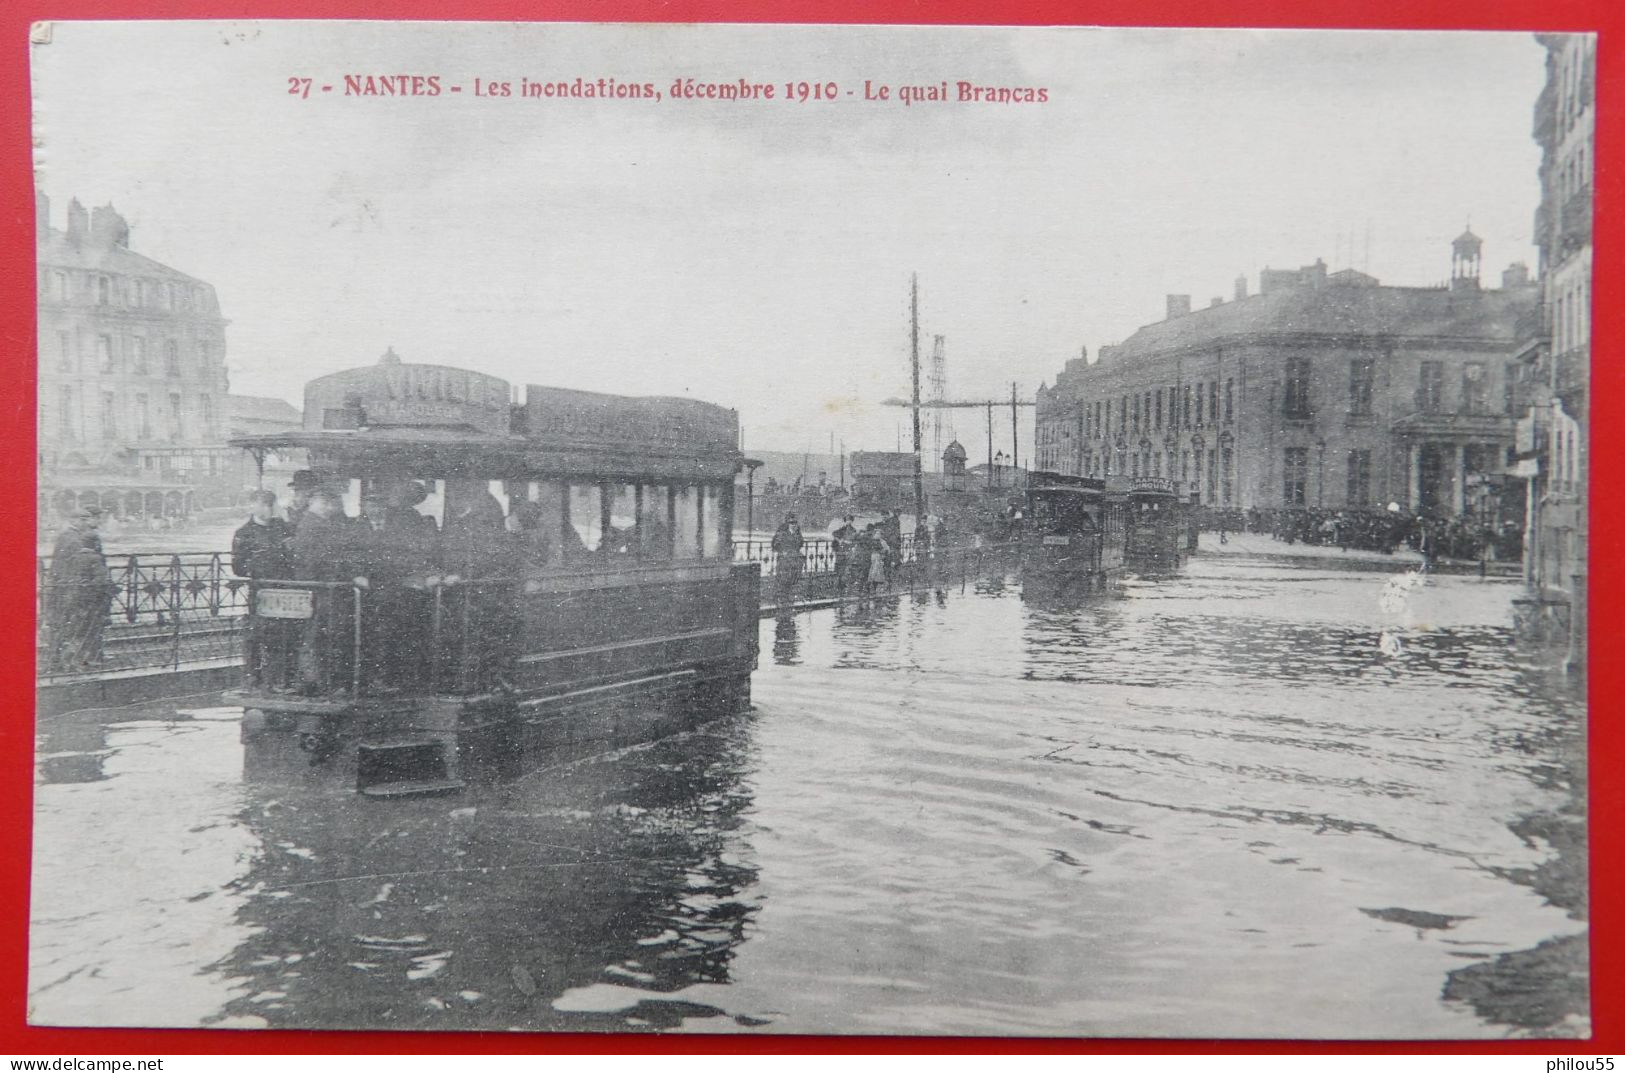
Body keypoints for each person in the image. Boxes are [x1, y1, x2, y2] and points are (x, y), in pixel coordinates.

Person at [290, 487, 365, 694]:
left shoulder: (319, 524)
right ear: (320, 503)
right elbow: (317, 559)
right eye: (328, 503)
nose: (331, 508)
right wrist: (346, 573)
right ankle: (320, 682)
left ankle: (322, 681)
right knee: (321, 634)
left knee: (322, 634)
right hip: (320, 589)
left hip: (322, 588)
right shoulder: (312, 525)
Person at [232, 490, 295, 689]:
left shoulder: (282, 527)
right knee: (258, 633)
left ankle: (279, 678)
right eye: (262, 504)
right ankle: (255, 677)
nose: (267, 509)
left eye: (269, 504)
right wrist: (258, 564)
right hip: (260, 590)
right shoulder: (244, 533)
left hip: (284, 589)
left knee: (283, 634)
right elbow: (238, 567)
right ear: (253, 506)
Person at [42, 507, 115, 673]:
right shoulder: (74, 539)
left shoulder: (68, 536)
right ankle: (68, 661)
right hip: (71, 589)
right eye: (83, 520)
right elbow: (79, 567)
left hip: (65, 587)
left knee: (65, 625)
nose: (86, 523)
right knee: (72, 626)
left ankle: (60, 661)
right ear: (75, 520)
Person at [770, 513, 805, 604]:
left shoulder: (797, 533)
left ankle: (788, 598)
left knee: (792, 579)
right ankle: (781, 598)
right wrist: (782, 551)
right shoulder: (782, 533)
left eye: (795, 523)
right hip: (784, 560)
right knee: (783, 579)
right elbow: (775, 544)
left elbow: (801, 543)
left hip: (794, 559)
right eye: (791, 523)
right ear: (788, 523)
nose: (793, 525)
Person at [831, 515, 858, 591]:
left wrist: (850, 543)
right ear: (845, 521)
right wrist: (840, 540)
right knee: (839, 567)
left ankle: (843, 584)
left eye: (850, 520)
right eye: (847, 520)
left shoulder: (854, 530)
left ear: (852, 521)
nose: (848, 521)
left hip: (848, 550)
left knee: (847, 567)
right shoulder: (842, 529)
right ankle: (838, 584)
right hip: (840, 551)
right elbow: (834, 534)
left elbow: (855, 540)